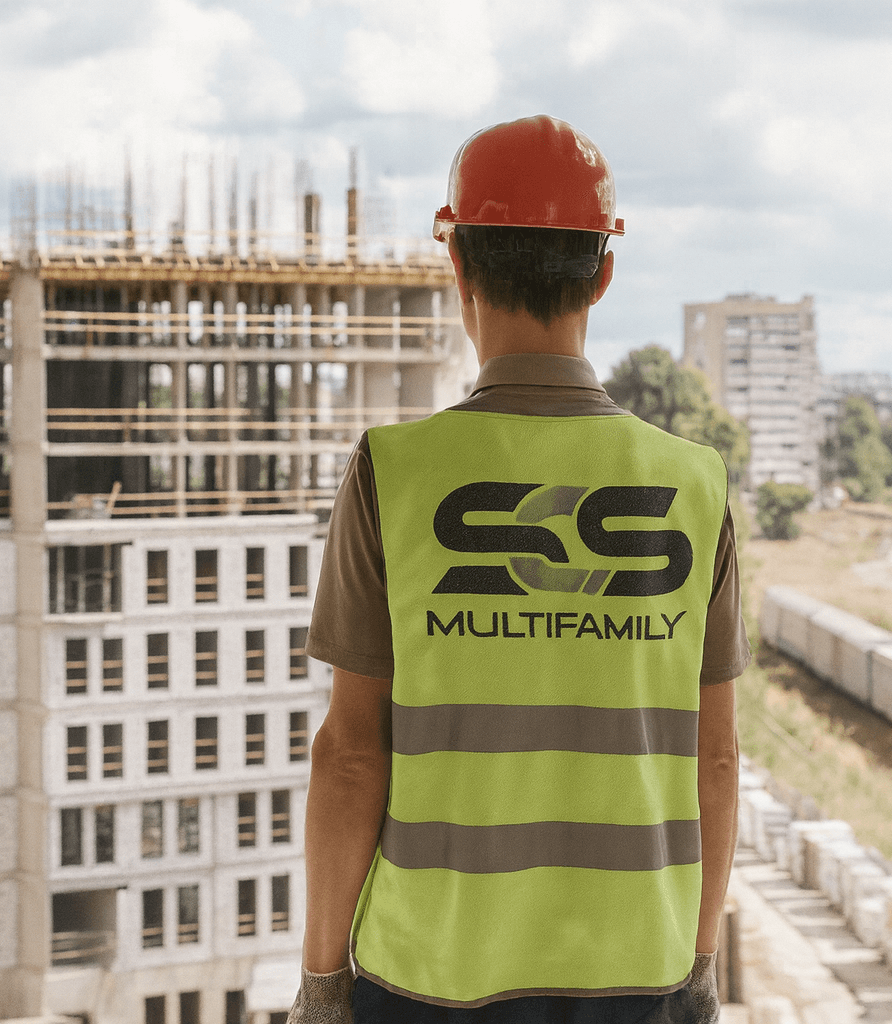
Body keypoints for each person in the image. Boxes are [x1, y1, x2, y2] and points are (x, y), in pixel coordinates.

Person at [287, 115, 748, 1024]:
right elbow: (718, 756)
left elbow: (348, 757)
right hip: (638, 972)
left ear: (457, 264)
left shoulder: (395, 472)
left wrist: (323, 981)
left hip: (428, 974)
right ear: (605, 272)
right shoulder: (693, 484)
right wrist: (698, 963)